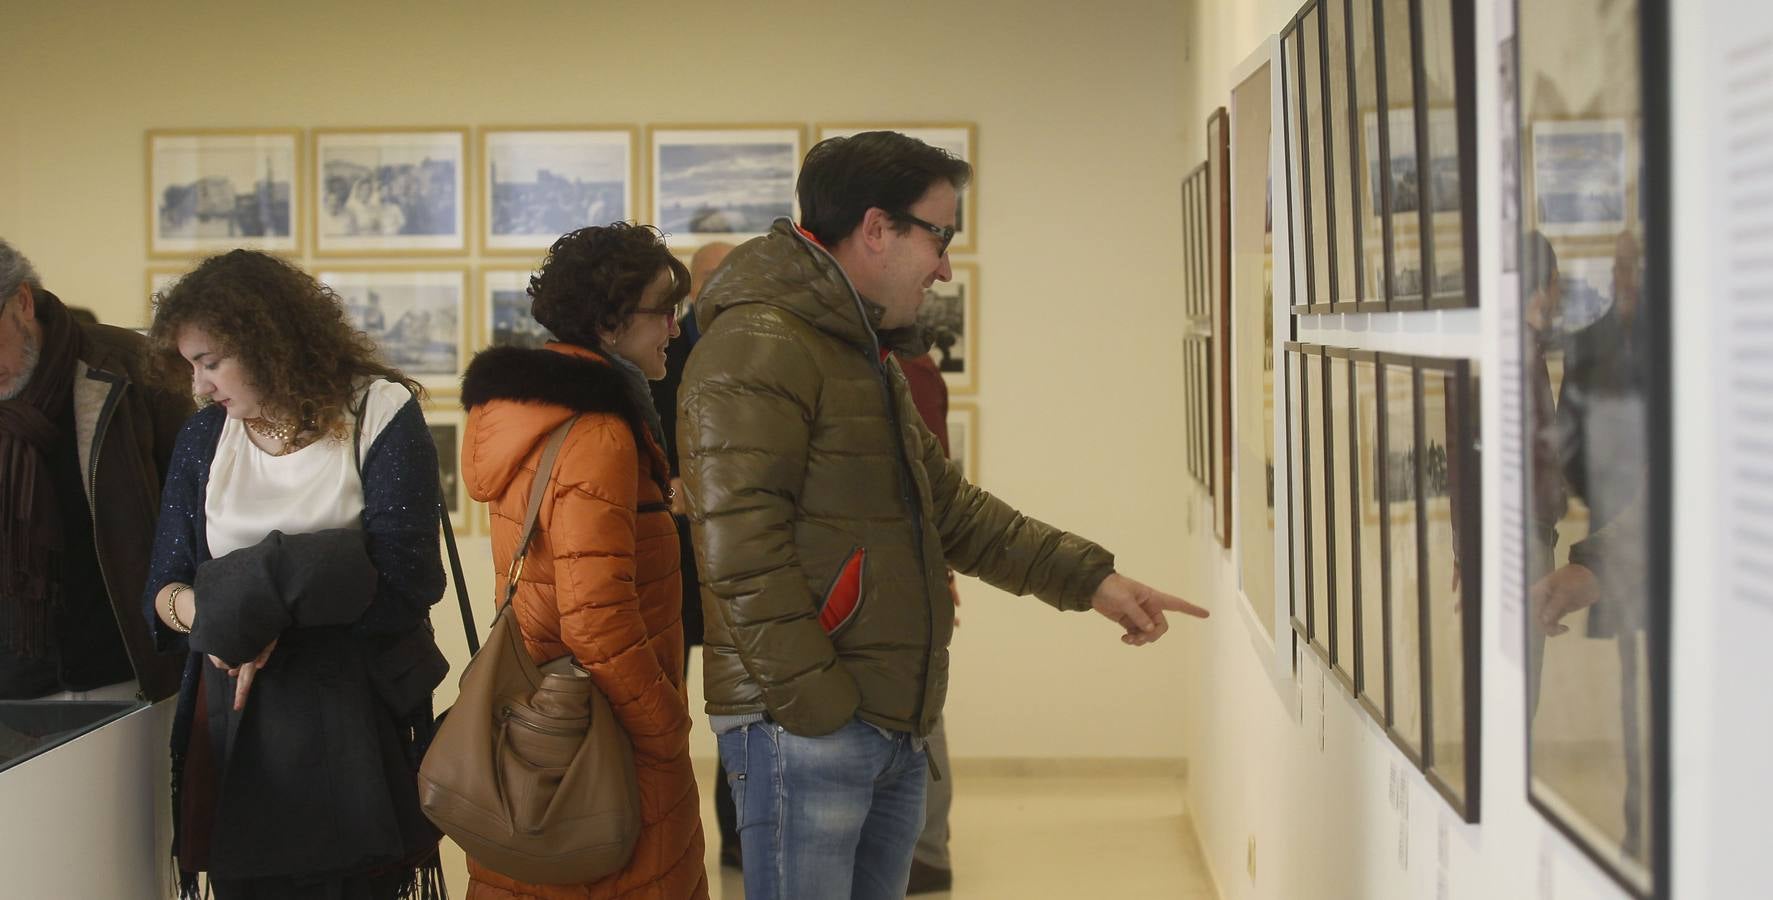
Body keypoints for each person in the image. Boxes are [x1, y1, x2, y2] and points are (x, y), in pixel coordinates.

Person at [678, 131, 1209, 899]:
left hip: (884, 717)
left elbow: (951, 509)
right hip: (812, 728)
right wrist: (816, 708)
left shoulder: (856, 351)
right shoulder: (758, 348)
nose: (945, 265)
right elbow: (737, 552)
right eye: (940, 235)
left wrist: (1094, 580)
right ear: (874, 228)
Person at [142, 250, 448, 899]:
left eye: (210, 362)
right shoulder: (205, 437)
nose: (198, 385)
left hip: (358, 721)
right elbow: (162, 596)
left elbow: (407, 582)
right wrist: (228, 619)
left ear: (269, 342)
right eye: (191, 365)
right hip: (234, 724)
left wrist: (257, 602)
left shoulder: (377, 411)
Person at [460, 222, 708, 900]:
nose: (676, 329)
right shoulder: (598, 431)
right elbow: (594, 615)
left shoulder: (545, 414)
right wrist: (662, 723)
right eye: (664, 311)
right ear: (609, 319)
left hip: (553, 717)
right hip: (604, 730)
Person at [0, 239, 190, 702]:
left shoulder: (135, 367)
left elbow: (196, 515)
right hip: (11, 685)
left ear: (22, 302)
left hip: (126, 671)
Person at [646, 240, 743, 870]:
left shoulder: (756, 345)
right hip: (673, 558)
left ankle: (740, 837)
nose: (715, 293)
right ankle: (668, 838)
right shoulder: (663, 351)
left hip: (739, 554)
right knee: (665, 702)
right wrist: (669, 484)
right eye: (706, 282)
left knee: (745, 711)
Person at [895, 349, 957, 895]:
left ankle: (927, 854)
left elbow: (929, 488)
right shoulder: (907, 363)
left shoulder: (904, 368)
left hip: (904, 576)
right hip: (907, 573)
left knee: (920, 715)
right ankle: (926, 852)